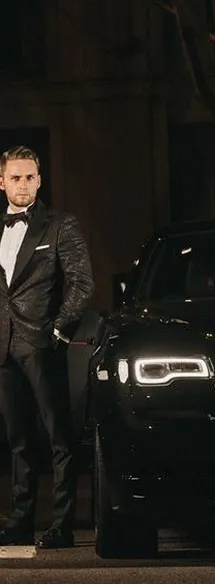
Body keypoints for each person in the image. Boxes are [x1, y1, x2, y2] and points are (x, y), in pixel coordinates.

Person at [0, 146, 94, 548]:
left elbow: (82, 283)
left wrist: (58, 331)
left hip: (42, 344)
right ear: (1, 181)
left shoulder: (59, 225)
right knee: (17, 439)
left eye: (29, 177)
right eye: (15, 177)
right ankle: (20, 521)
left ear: (39, 180)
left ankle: (61, 524)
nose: (23, 185)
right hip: (3, 346)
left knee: (59, 437)